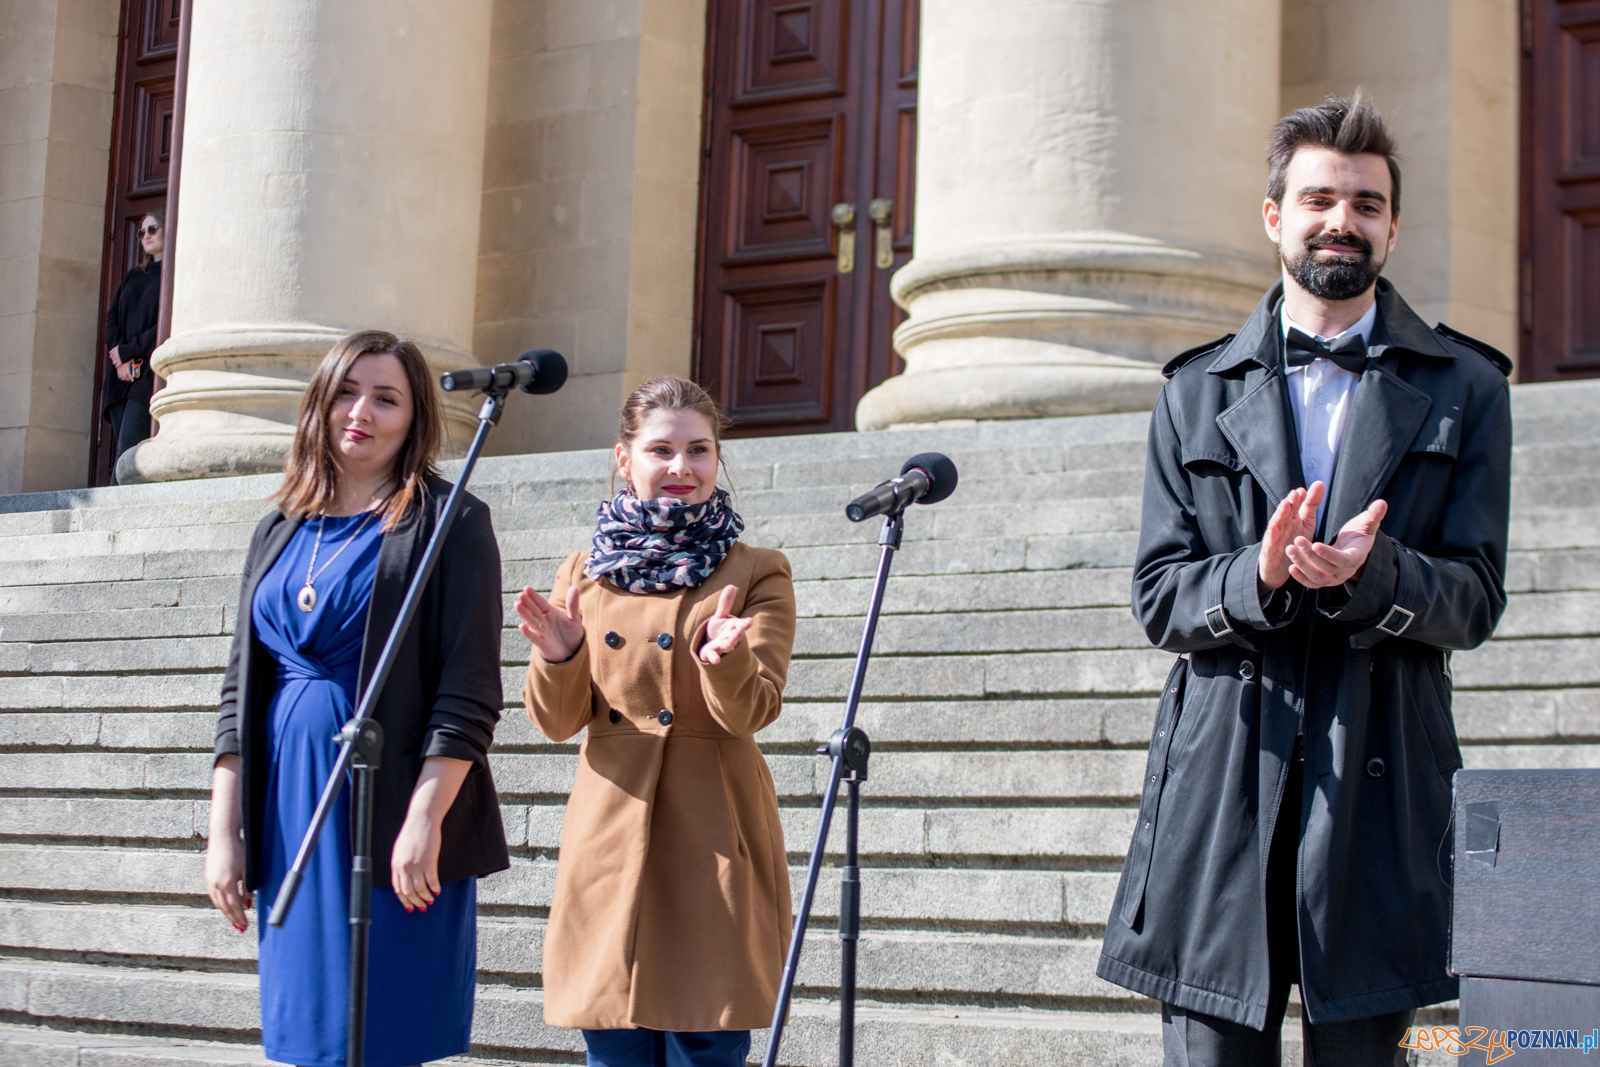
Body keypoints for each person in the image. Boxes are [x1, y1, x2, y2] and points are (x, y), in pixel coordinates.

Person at [1096, 95, 1513, 1066]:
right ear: (1273, 215)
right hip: (1223, 775)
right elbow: (1160, 593)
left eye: (1366, 204)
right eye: (1319, 197)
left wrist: (1380, 572)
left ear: (1393, 226)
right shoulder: (1191, 390)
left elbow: (1476, 596)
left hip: (1381, 781)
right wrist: (1260, 571)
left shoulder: (1468, 388)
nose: (1342, 220)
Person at [204, 330, 510, 1067]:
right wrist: (224, 830)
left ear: (414, 418)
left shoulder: (451, 520)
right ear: (319, 401)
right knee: (307, 1035)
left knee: (386, 1030)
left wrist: (424, 821)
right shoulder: (278, 528)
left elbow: (467, 694)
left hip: (392, 806)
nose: (360, 411)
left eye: (386, 397)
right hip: (289, 815)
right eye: (346, 390)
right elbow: (239, 687)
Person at [517, 376, 796, 1067]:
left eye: (699, 450)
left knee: (708, 1043)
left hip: (713, 831)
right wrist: (564, 653)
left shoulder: (757, 570)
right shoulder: (581, 574)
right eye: (661, 449)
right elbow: (556, 722)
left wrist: (721, 660)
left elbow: (751, 709)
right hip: (612, 828)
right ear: (624, 458)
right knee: (613, 1040)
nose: (681, 467)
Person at [103, 209, 164, 482]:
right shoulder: (132, 275)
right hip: (120, 376)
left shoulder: (172, 274)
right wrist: (119, 357)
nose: (146, 236)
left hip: (146, 374)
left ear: (168, 229)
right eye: (142, 232)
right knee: (121, 450)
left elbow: (165, 325)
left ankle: (110, 512)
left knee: (127, 448)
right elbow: (112, 317)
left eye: (152, 229)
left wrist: (128, 352)